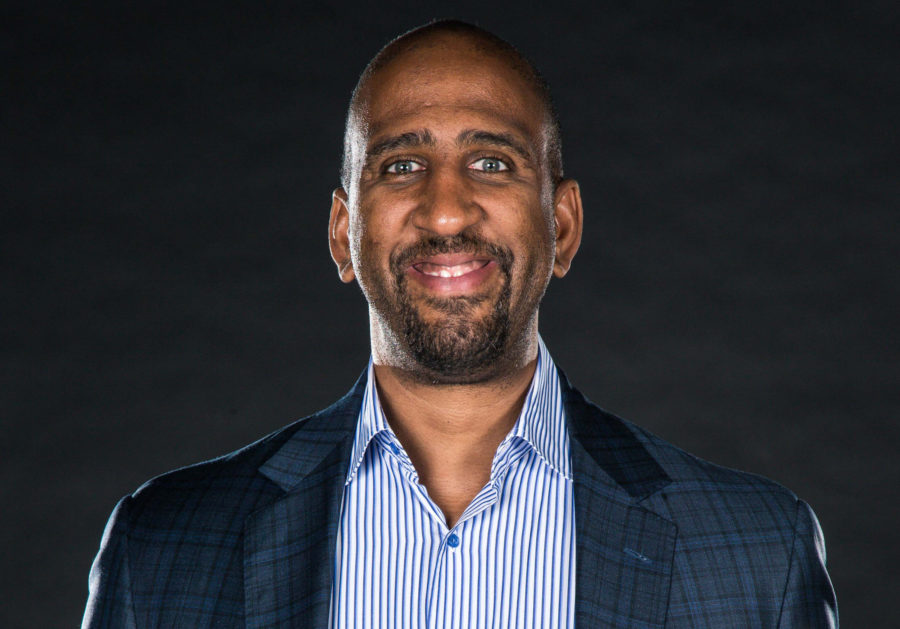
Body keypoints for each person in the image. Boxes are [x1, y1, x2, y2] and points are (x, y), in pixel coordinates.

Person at [82, 20, 837, 628]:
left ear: (564, 226)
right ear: (344, 233)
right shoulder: (162, 550)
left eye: (493, 163)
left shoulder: (756, 558)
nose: (446, 211)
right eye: (401, 167)